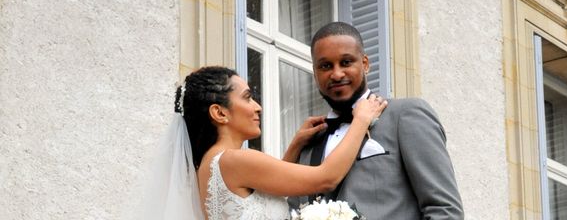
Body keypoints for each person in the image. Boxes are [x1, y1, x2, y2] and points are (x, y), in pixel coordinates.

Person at [141, 65, 387, 220]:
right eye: (247, 98)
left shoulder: (207, 166)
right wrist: (361, 120)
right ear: (220, 113)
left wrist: (294, 147)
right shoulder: (235, 159)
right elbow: (326, 177)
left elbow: (261, 193)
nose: (257, 107)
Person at [288, 22, 465, 220]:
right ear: (315, 73)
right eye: (326, 66)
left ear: (365, 64)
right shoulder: (309, 142)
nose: (337, 74)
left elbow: (445, 210)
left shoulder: (405, 114)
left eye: (346, 62)